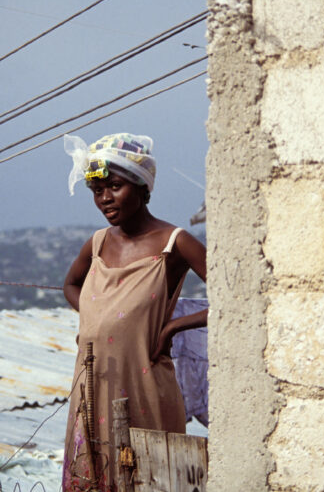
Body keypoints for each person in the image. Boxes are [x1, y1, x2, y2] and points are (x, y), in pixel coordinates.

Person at [61, 132, 207, 491]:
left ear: (142, 186)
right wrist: (96, 316)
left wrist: (174, 328)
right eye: (97, 191)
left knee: (145, 474)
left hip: (143, 382)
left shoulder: (175, 243)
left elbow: (238, 298)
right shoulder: (97, 243)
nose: (105, 199)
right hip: (92, 382)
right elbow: (71, 285)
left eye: (114, 186)